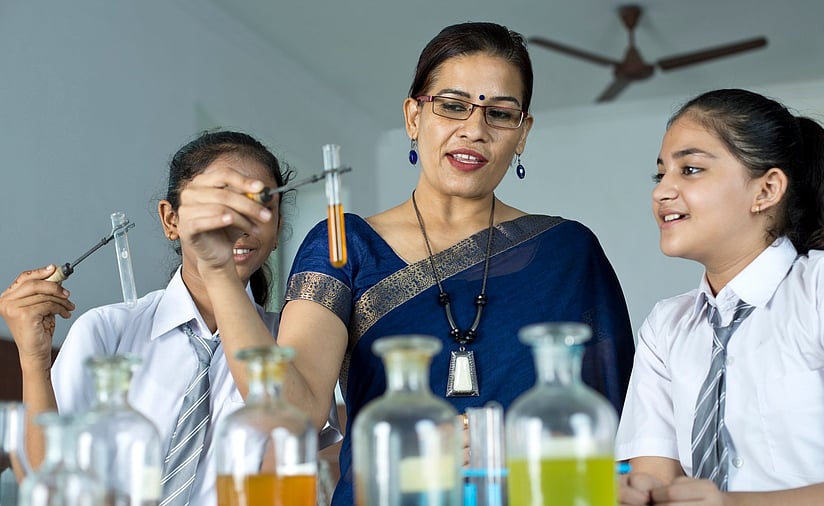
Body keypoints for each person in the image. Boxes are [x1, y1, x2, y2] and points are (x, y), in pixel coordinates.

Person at [183, 22, 634, 505]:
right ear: (413, 117)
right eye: (453, 106)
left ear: (522, 134)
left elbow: (622, 431)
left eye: (500, 114)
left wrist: (509, 445)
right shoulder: (345, 244)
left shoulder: (568, 251)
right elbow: (296, 413)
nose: (474, 130)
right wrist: (220, 276)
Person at [0, 130, 341, 506]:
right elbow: (47, 481)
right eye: (220, 202)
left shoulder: (291, 345)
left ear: (276, 229)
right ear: (171, 220)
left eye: (259, 203)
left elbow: (300, 460)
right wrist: (33, 361)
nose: (239, 222)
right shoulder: (107, 332)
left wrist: (218, 269)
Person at [616, 89, 824, 505]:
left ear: (766, 190)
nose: (662, 192)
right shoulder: (666, 326)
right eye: (661, 175)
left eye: (690, 169)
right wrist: (634, 492)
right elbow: (653, 480)